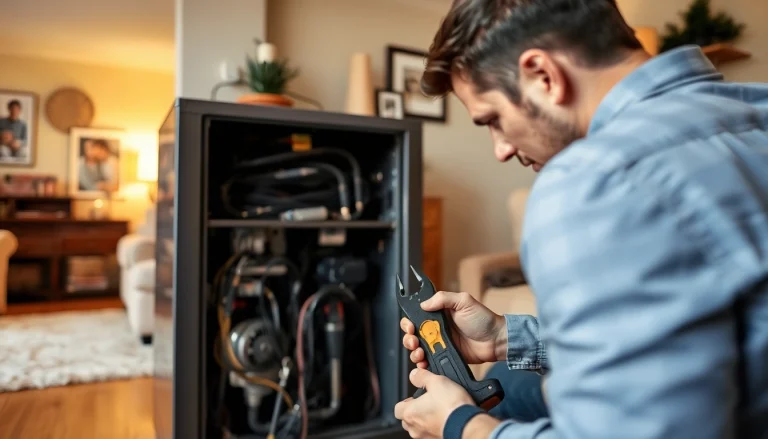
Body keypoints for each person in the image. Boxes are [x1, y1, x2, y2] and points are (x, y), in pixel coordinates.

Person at [394, 1, 768, 438]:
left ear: (542, 75)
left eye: (493, 120)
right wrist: (504, 337)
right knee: (513, 382)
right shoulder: (755, 110)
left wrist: (459, 425)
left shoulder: (595, 180)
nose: (501, 149)